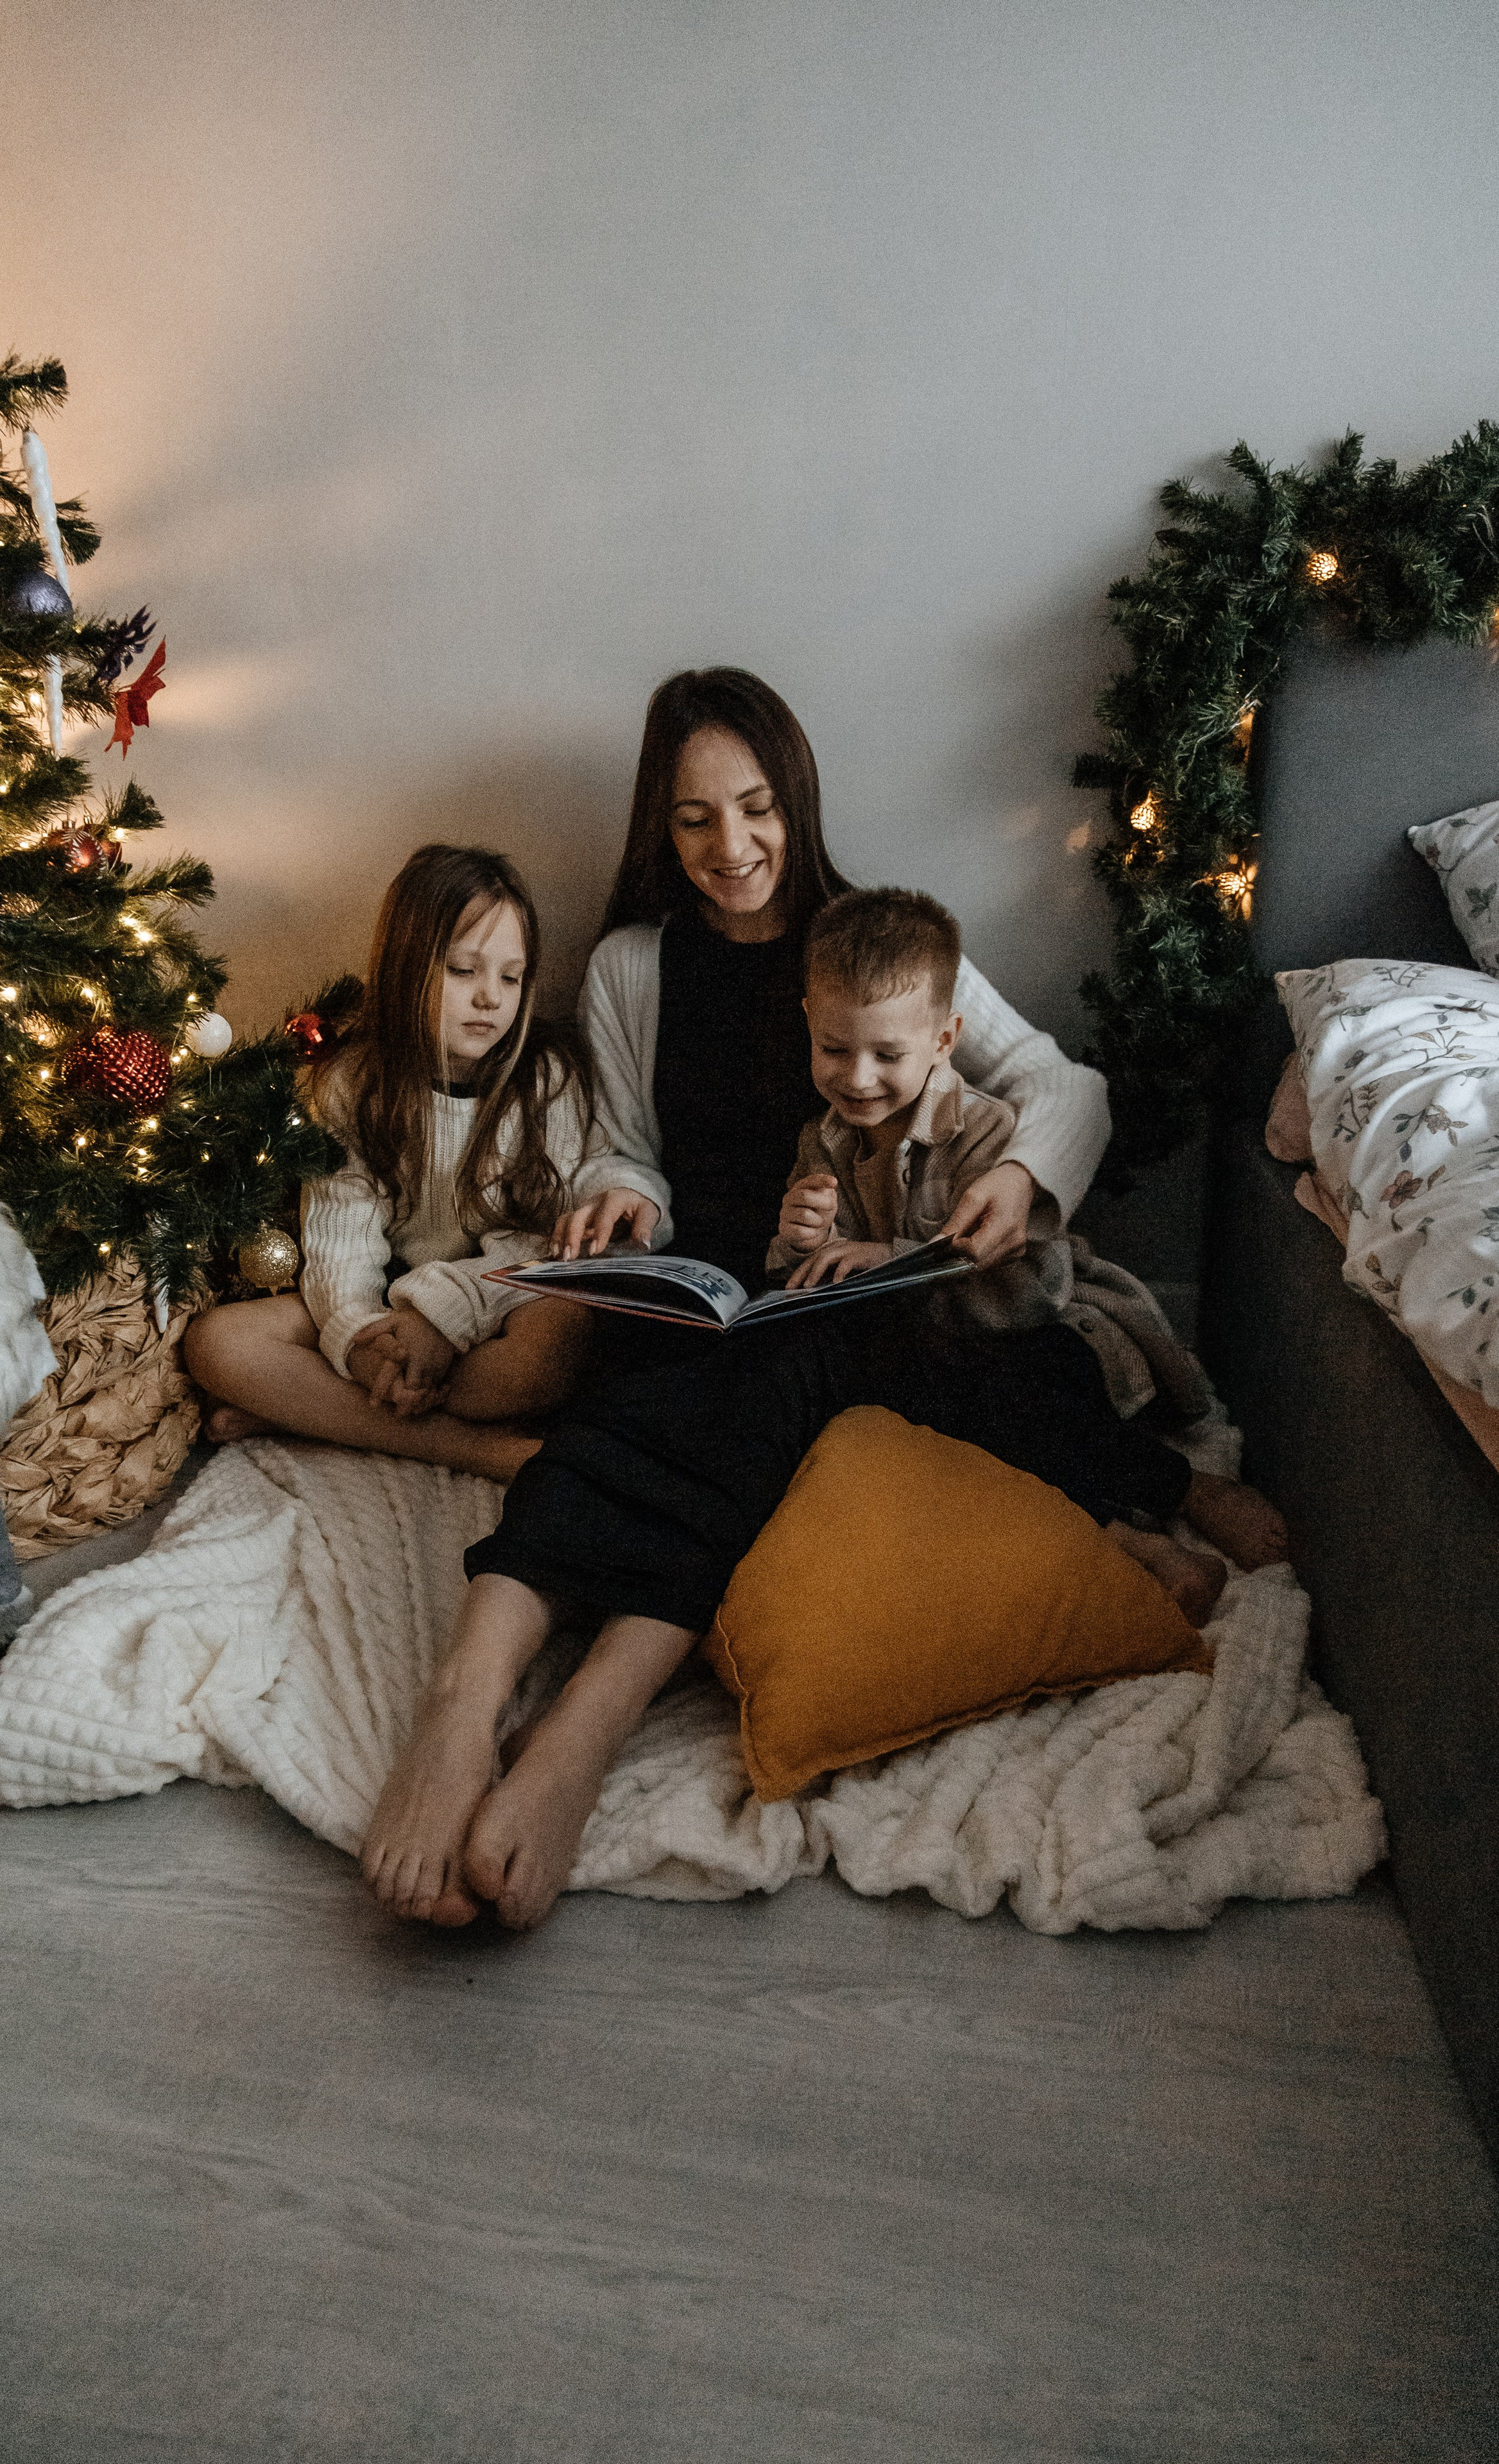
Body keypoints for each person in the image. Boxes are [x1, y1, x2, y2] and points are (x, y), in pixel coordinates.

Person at [359, 887, 1288, 1936]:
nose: (859, 1079)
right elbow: (749, 1239)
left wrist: (927, 1246)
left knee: (1028, 1404)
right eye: (835, 1053)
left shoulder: (978, 1122)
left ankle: (1164, 1496)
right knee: (684, 1403)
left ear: (945, 1039)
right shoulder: (803, 1116)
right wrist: (795, 1245)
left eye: (886, 1059)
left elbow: (1031, 1288)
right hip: (833, 1353)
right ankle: (471, 1703)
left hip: (986, 1346)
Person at [553, 665, 1110, 1295]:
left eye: (756, 808)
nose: (731, 847)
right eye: (694, 819)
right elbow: (622, 1150)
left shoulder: (873, 950)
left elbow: (1067, 1086)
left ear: (795, 802)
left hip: (836, 1287)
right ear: (665, 828)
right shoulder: (627, 967)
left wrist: (1020, 1178)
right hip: (695, 1279)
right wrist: (625, 1192)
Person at [184, 846, 597, 1481]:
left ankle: (316, 1413)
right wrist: (362, 1342)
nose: (491, 998)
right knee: (218, 1344)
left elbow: (540, 1241)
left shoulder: (545, 1077)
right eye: (464, 970)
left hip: (498, 1298)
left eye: (511, 978)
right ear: (409, 968)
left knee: (550, 1352)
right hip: (385, 1305)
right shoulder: (353, 1081)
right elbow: (338, 1242)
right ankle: (468, 1449)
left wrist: (439, 1318)